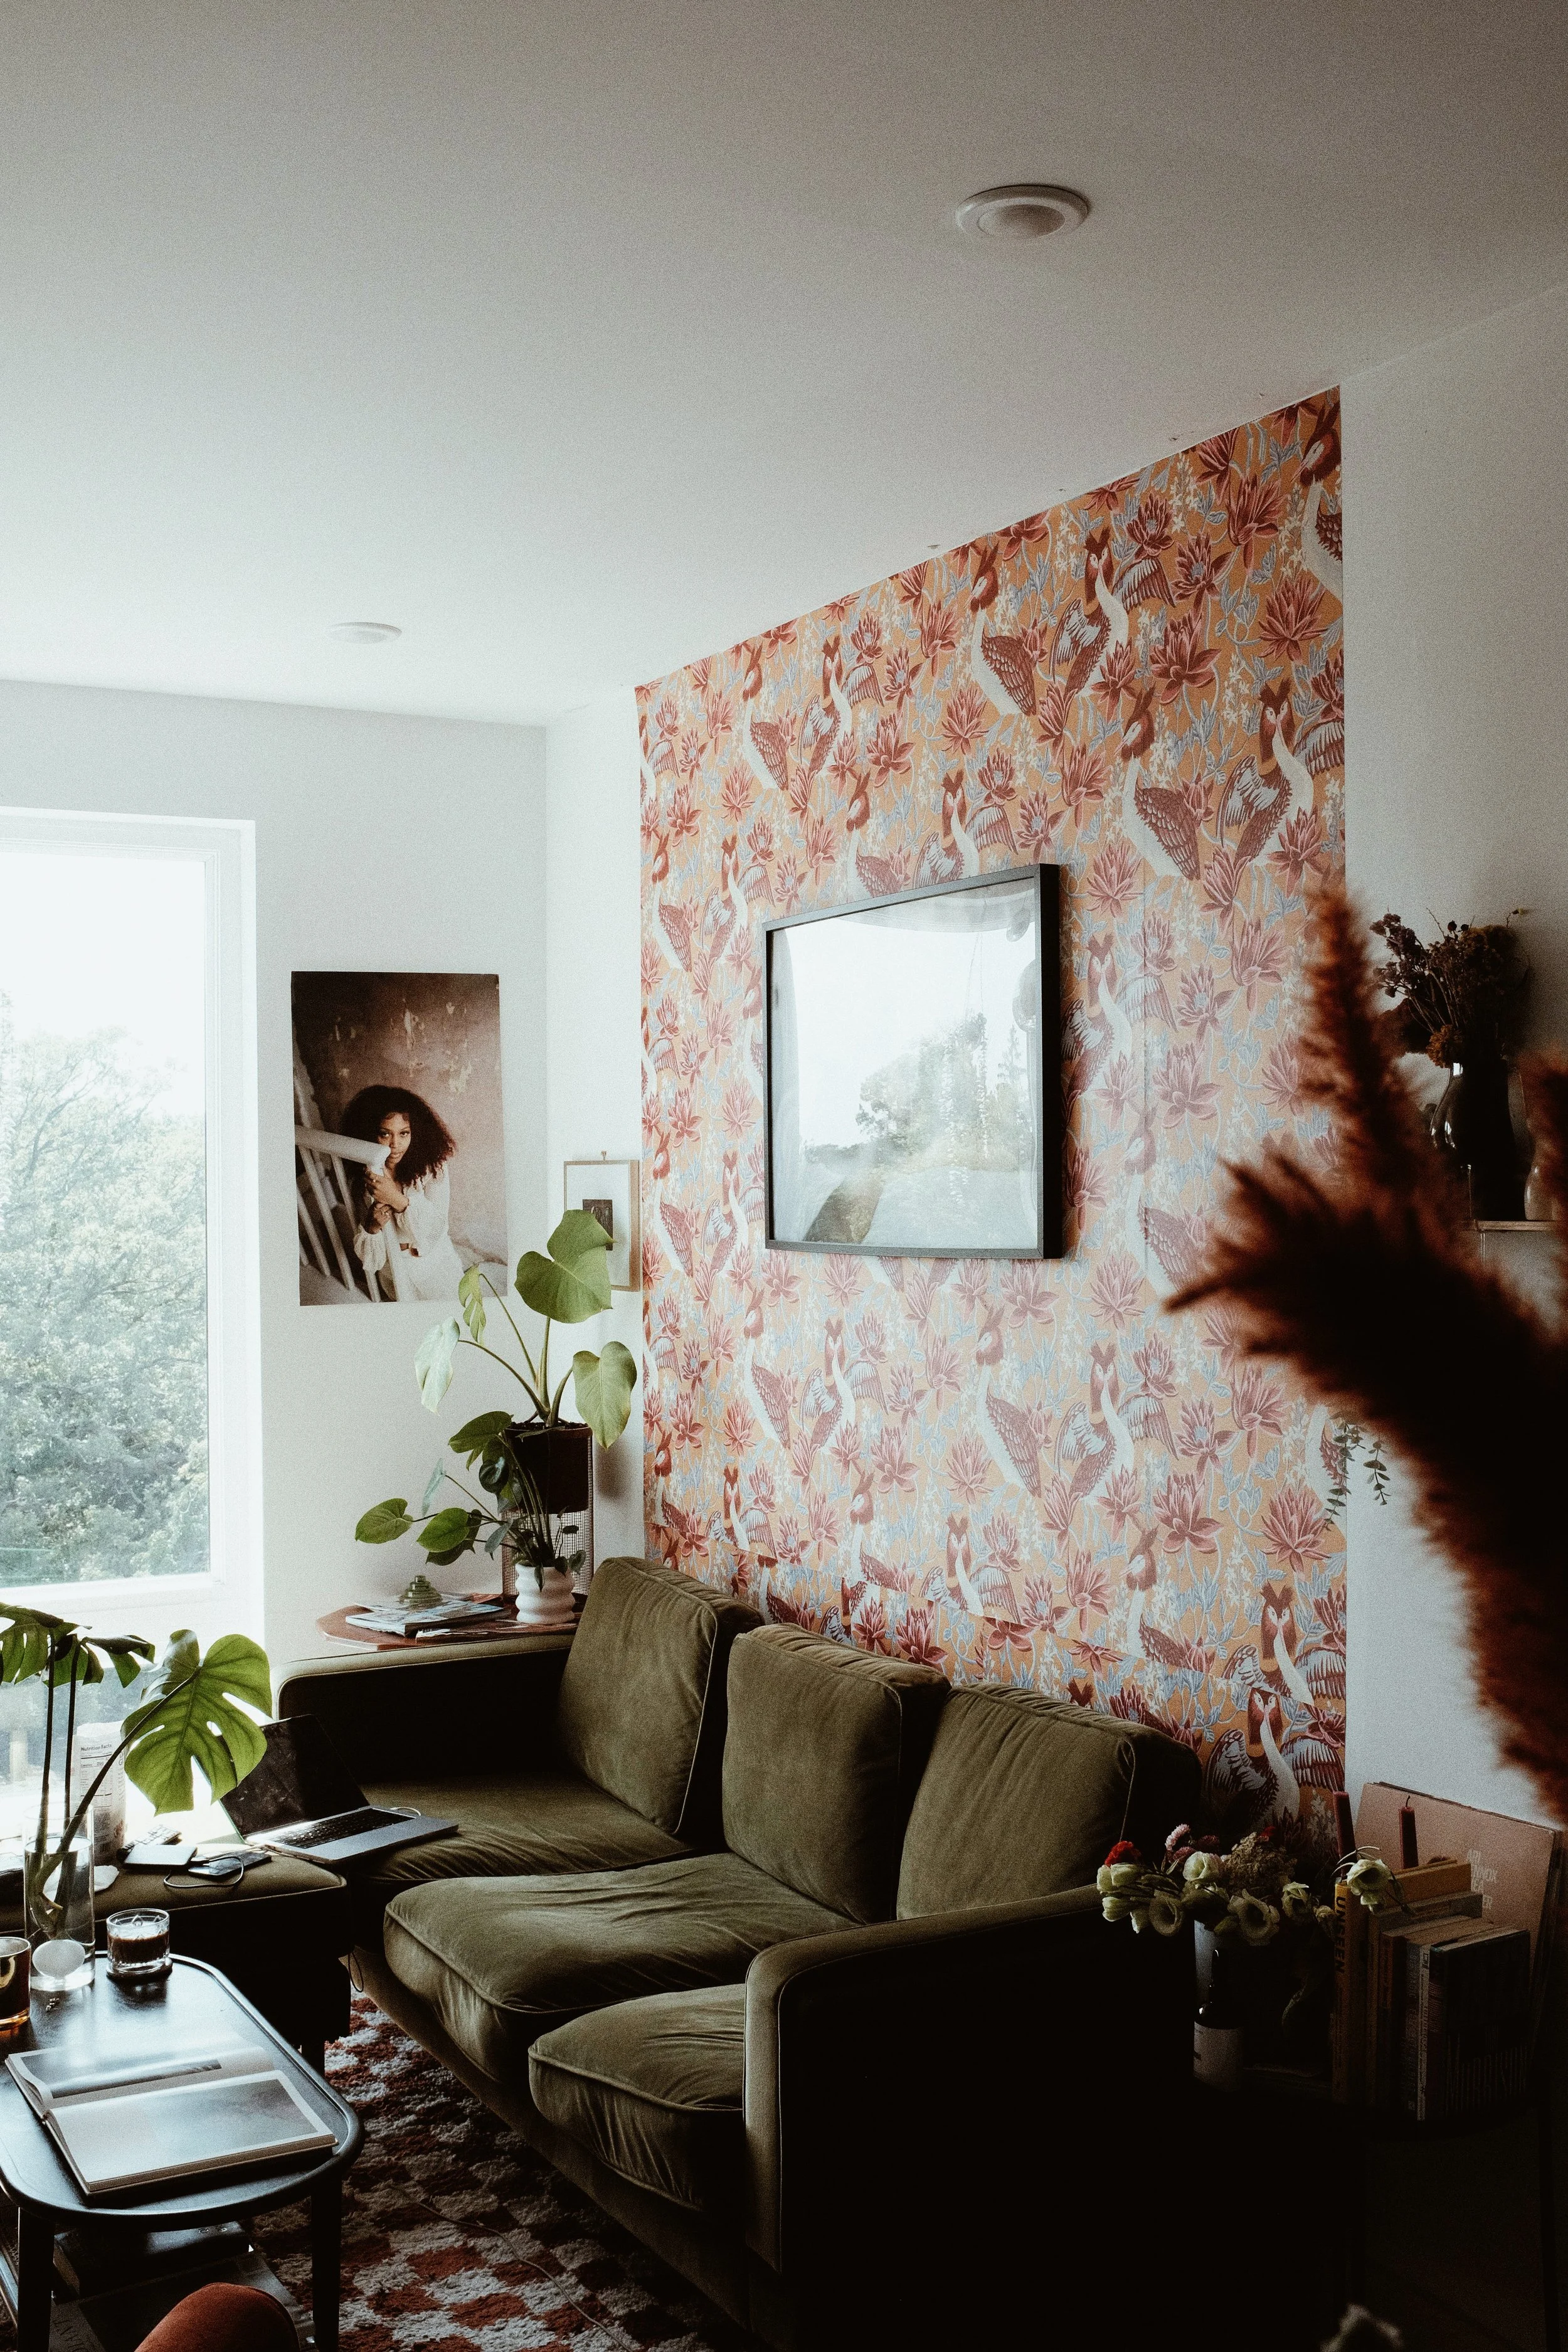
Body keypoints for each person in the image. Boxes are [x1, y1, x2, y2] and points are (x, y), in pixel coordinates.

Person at [341, 1084, 466, 1301]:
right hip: (394, 1274)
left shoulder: (433, 1168)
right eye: (385, 1134)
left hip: (436, 1266)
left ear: (415, 1132)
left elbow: (436, 1229)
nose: (395, 1145)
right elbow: (371, 1262)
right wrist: (372, 1228)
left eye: (404, 1133)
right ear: (370, 1133)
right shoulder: (365, 1174)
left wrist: (397, 1200)